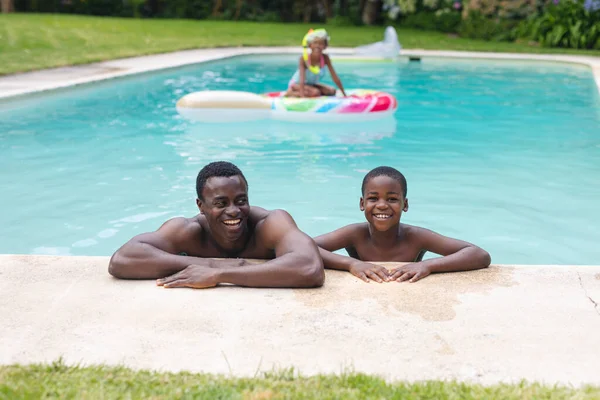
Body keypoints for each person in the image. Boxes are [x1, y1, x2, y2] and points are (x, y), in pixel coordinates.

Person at [108, 161, 324, 289]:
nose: (233, 210)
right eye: (221, 203)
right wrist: (210, 264)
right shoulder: (188, 230)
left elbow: (309, 268)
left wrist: (222, 274)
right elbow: (123, 259)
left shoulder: (270, 223)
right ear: (201, 206)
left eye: (241, 201)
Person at [314, 166, 491, 283]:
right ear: (362, 204)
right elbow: (303, 247)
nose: (382, 205)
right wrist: (351, 264)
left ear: (404, 205)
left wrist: (427, 265)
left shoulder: (416, 237)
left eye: (392, 199)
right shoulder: (355, 234)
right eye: (373, 198)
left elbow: (479, 255)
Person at [285, 29, 347, 98]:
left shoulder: (325, 58)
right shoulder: (304, 59)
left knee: (332, 91)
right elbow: (302, 79)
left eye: (321, 43)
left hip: (311, 84)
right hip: (297, 84)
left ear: (325, 46)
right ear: (310, 45)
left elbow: (334, 77)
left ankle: (309, 92)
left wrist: (344, 94)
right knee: (316, 93)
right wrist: (302, 97)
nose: (317, 46)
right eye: (315, 43)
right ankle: (290, 92)